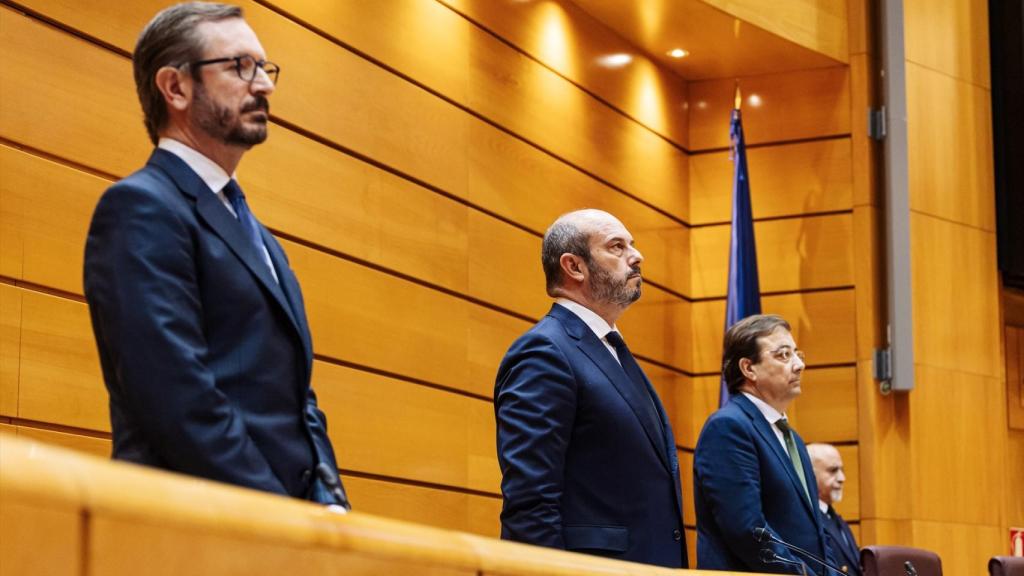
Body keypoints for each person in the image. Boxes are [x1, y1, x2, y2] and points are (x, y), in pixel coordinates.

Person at [84, 2, 347, 507]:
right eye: (239, 66)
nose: (265, 86)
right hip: (192, 530)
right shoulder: (141, 207)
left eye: (265, 69)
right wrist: (279, 517)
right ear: (176, 87)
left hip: (276, 533)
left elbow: (296, 401)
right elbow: (177, 398)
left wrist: (330, 506)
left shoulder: (260, 236)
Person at [494, 209, 688, 568]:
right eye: (617, 246)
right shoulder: (545, 352)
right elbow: (531, 501)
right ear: (574, 267)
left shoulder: (609, 348)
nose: (637, 255)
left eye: (632, 244)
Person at [693, 314, 832, 573]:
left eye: (797, 354)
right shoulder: (729, 428)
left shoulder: (794, 440)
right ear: (748, 368)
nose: (799, 364)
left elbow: (817, 535)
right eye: (783, 355)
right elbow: (748, 531)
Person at [808, 443, 861, 576]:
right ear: (809, 473)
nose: (842, 478)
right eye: (833, 471)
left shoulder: (837, 520)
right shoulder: (808, 520)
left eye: (842, 470)